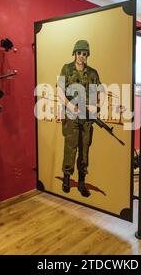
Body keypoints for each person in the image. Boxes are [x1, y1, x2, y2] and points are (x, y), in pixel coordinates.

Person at [56, 40, 105, 197]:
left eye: (85, 54)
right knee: (70, 148)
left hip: (86, 119)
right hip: (71, 117)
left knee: (84, 150)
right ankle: (66, 178)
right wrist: (69, 106)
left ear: (87, 55)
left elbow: (101, 91)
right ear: (74, 53)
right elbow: (59, 90)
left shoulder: (93, 73)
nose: (82, 56)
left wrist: (97, 107)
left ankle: (82, 182)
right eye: (79, 53)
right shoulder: (67, 69)